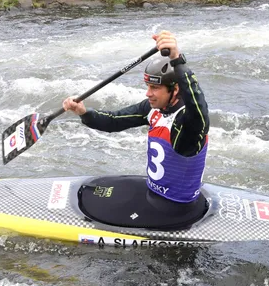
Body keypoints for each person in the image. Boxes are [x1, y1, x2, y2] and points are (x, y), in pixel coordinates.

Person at [63, 30, 210, 229]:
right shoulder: (153, 109)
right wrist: (83, 112)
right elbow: (115, 121)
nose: (148, 93)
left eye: (155, 88)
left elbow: (198, 106)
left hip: (175, 210)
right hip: (154, 194)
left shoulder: (188, 123)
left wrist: (177, 59)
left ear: (175, 90)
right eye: (148, 86)